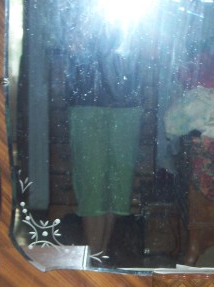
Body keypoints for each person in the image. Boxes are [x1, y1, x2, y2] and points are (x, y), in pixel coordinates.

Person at [65, 19, 144, 258]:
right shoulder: (81, 11)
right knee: (92, 184)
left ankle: (101, 254)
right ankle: (94, 259)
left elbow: (150, 49)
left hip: (127, 101)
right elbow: (70, 44)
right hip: (87, 102)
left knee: (118, 187)